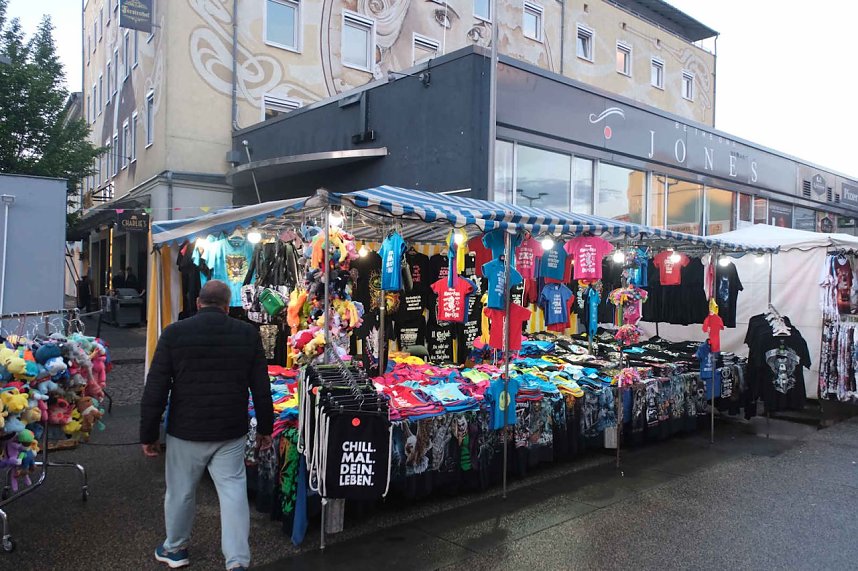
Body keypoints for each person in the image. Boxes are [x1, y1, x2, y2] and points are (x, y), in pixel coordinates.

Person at [140, 280, 273, 571]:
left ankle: (175, 549)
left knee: (180, 491)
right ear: (227, 307)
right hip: (230, 429)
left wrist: (149, 434)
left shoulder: (175, 333)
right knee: (233, 492)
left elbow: (156, 388)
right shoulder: (247, 334)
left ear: (198, 303)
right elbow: (261, 387)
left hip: (186, 430)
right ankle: (237, 560)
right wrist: (266, 427)